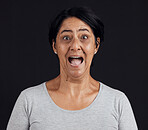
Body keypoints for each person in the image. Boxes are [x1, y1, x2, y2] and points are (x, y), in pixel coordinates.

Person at [7, 7, 138, 130]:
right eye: (66, 38)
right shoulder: (29, 100)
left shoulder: (117, 102)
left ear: (96, 45)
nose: (75, 46)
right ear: (54, 46)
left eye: (84, 37)